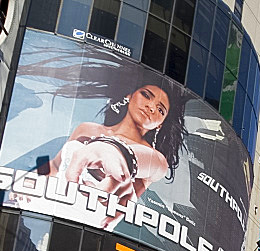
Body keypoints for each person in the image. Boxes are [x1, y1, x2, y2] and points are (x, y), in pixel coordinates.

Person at [14, 48, 188, 229]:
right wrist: (29, 179)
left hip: (84, 227)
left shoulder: (155, 159)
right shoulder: (88, 129)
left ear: (160, 124)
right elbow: (56, 164)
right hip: (38, 208)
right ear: (129, 96)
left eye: (160, 110)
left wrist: (116, 152)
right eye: (146, 95)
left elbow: (144, 162)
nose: (151, 107)